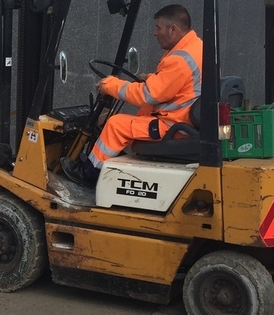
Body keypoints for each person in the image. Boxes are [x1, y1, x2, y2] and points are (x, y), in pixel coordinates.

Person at [62, 4, 202, 187]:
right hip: (185, 119)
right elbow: (185, 83)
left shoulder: (179, 60)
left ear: (173, 30)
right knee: (138, 116)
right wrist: (153, 78)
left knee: (116, 124)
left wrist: (111, 86)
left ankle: (89, 173)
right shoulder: (197, 47)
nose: (154, 33)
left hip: (174, 127)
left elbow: (147, 95)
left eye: (158, 28)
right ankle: (112, 165)